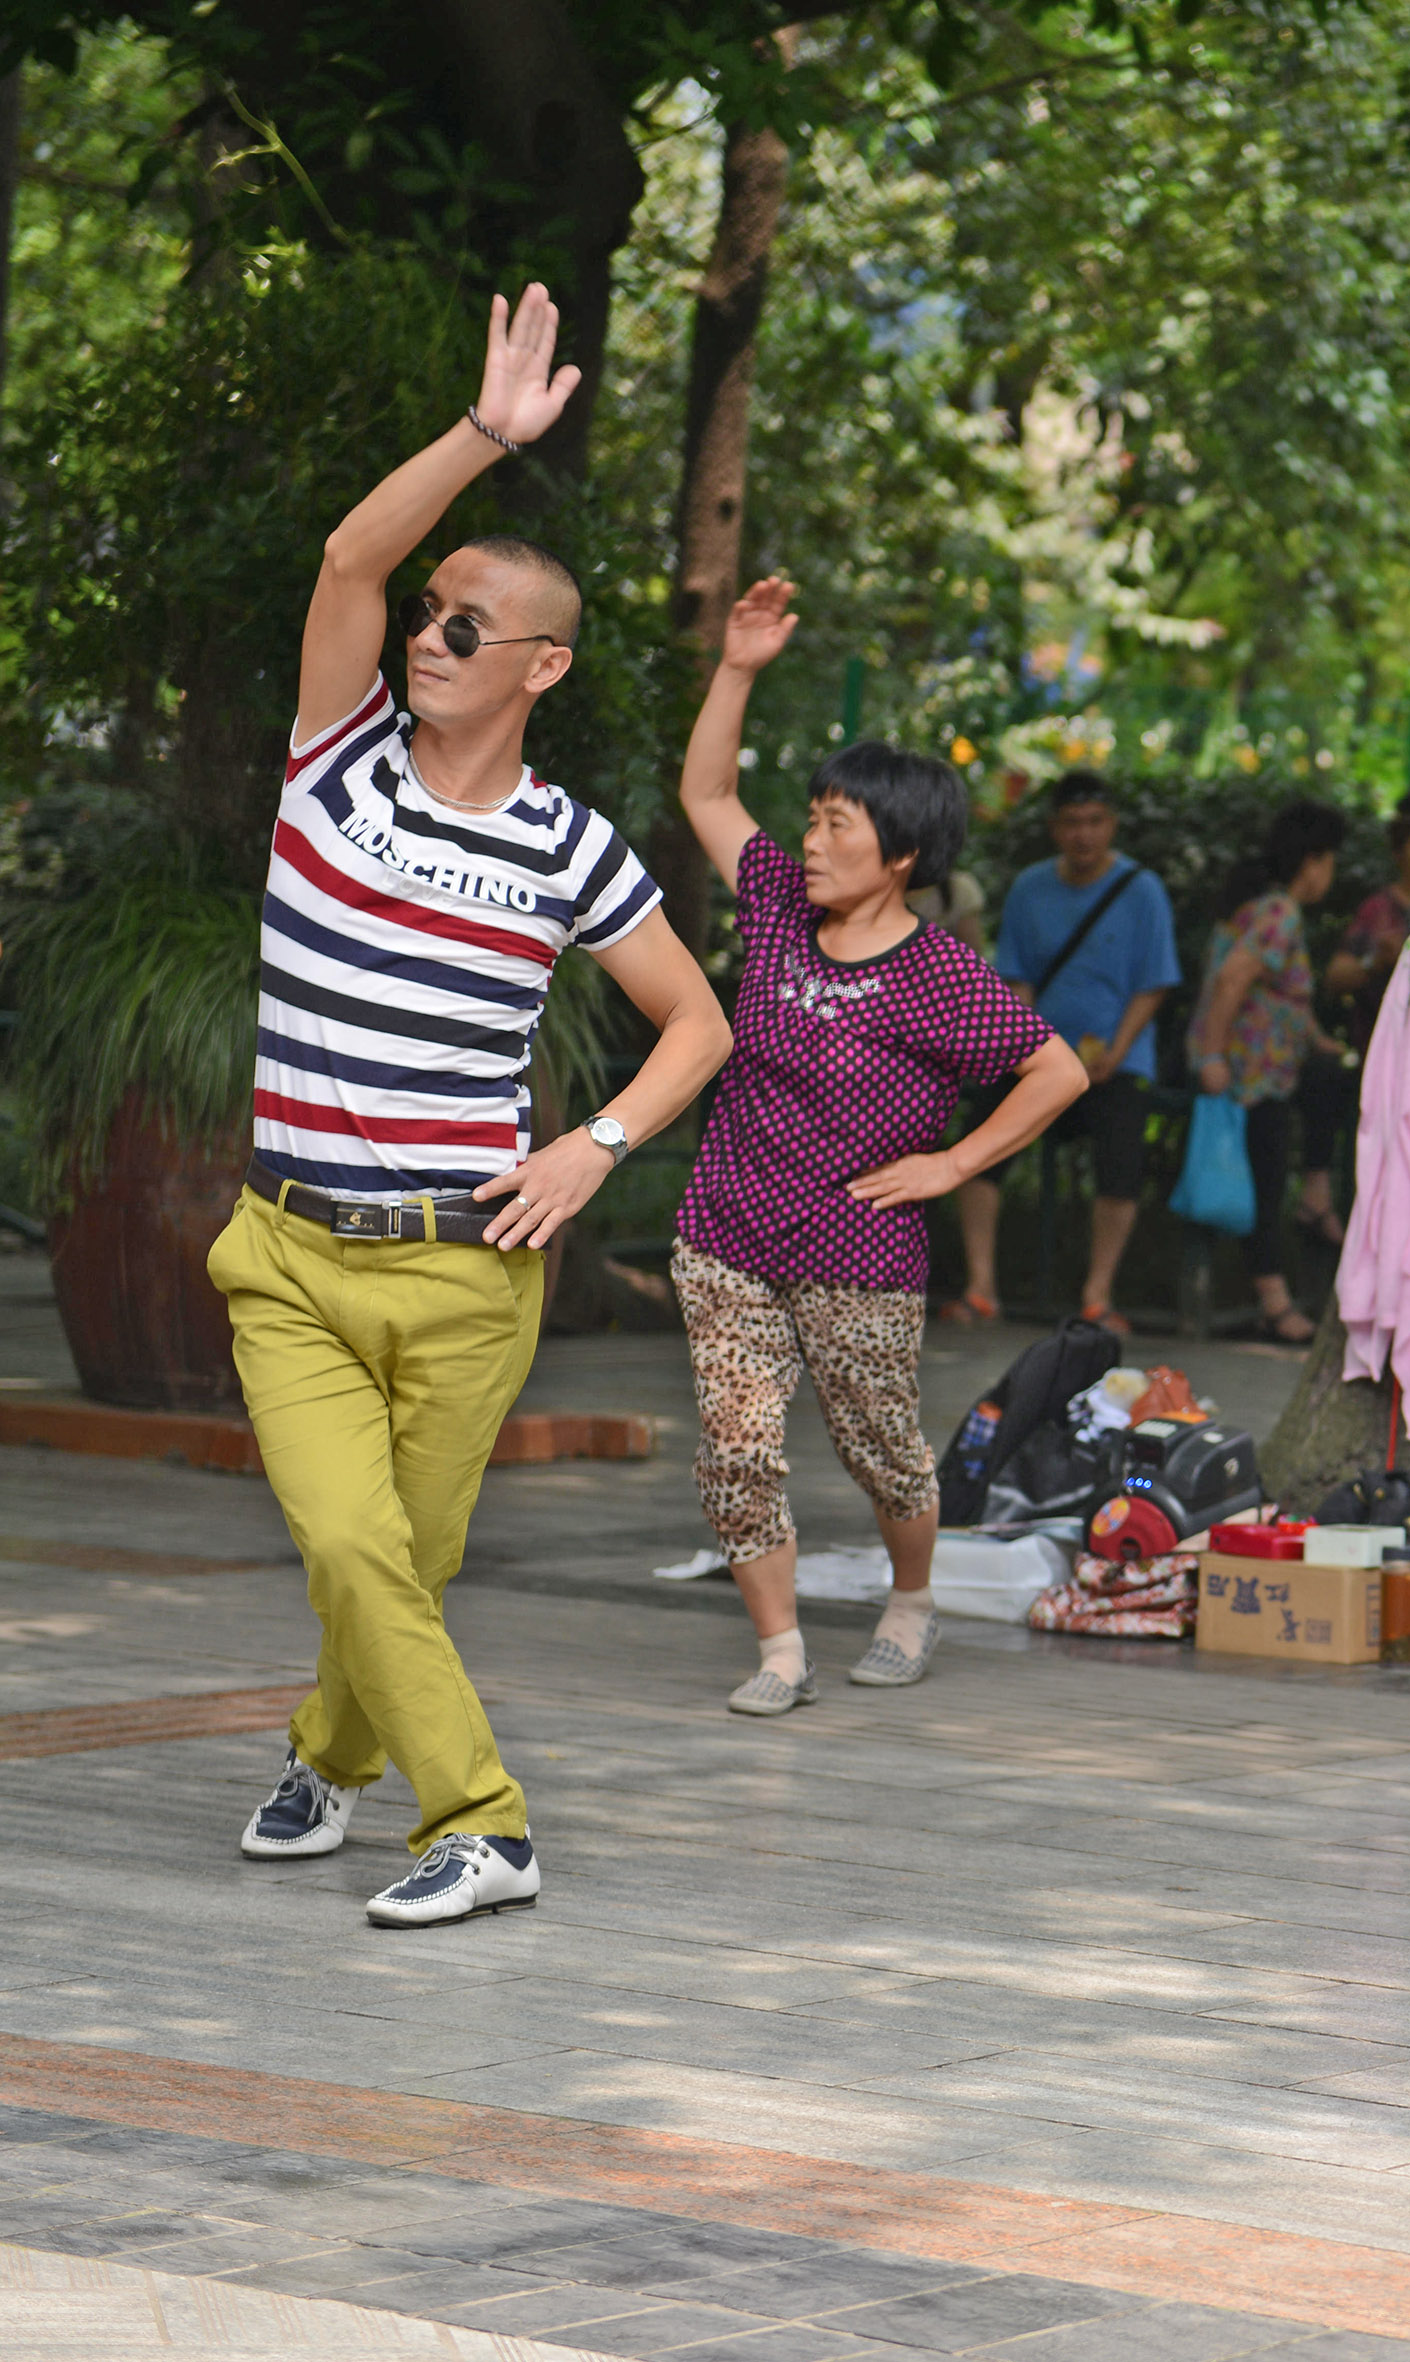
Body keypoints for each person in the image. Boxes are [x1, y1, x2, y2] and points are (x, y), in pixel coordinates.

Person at [227, 285, 732, 1928]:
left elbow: (695, 1020)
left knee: (406, 1564)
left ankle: (324, 1756)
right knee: (354, 1542)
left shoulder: (570, 845)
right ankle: (486, 1820)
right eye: (432, 614)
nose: (430, 637)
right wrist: (481, 439)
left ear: (544, 665)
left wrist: (596, 1148)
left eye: (468, 626)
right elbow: (347, 567)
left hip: (466, 1272)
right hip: (291, 1257)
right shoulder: (336, 759)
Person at [667, 577, 1089, 1715]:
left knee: (882, 1448)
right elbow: (705, 791)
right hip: (728, 1230)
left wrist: (954, 1166)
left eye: (835, 825)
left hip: (860, 1247)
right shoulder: (772, 906)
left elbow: (1061, 1070)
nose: (808, 838)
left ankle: (911, 1598)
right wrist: (740, 667)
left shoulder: (944, 976)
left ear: (900, 853)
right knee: (738, 1447)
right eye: (808, 817)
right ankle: (781, 1649)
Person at [947, 773, 1181, 1334]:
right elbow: (1016, 978)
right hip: (1038, 1058)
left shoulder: (1142, 890)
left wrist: (1116, 1052)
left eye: (1095, 821)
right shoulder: (1030, 888)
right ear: (1055, 828)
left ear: (1112, 825)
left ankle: (1098, 1294)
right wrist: (1034, 1050)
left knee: (1122, 1165)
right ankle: (981, 1287)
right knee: (979, 1146)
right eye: (1073, 822)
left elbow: (1154, 985)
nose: (1084, 834)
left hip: (1118, 1062)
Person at [1183, 800, 1350, 1342]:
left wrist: (1322, 1042)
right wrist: (1211, 1058)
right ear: (1312, 861)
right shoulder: (1278, 912)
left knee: (1327, 1087)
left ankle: (1315, 1199)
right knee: (1264, 1181)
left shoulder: (1266, 907)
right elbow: (1232, 981)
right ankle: (1275, 1303)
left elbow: (1285, 1002)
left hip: (1269, 1072)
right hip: (1246, 1076)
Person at [1314, 797, 1410, 1225]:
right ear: (1399, 855)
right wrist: (1378, 963)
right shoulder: (1378, 911)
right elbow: (1337, 974)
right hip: (1380, 1053)